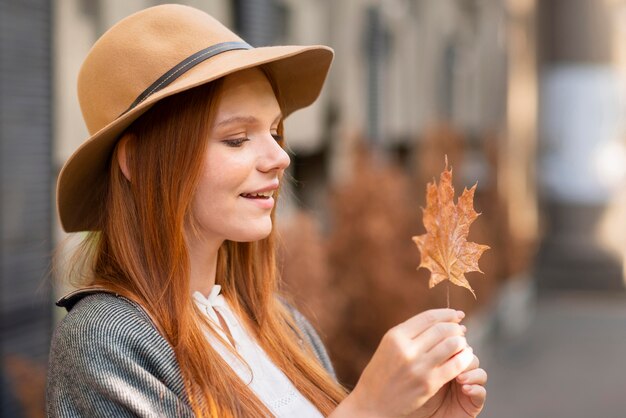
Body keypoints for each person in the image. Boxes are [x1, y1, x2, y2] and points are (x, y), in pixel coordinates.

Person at [46, 4, 487, 418]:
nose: (280, 157)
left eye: (275, 131)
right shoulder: (106, 341)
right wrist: (367, 407)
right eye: (237, 138)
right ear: (137, 162)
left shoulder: (281, 325)